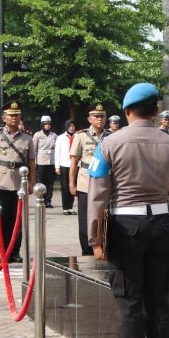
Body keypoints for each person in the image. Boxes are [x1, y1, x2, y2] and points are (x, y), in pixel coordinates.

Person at [87, 82, 169, 338]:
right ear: (156, 111)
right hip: (161, 224)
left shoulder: (109, 143)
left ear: (127, 110)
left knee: (130, 303)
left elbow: (97, 195)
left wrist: (94, 237)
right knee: (159, 302)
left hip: (125, 226)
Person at [0, 100, 36, 263]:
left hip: (19, 182)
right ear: (4, 117)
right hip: (0, 181)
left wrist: (32, 183)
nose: (14, 118)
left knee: (17, 219)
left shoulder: (27, 137)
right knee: (2, 217)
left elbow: (32, 162)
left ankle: (15, 251)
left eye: (17, 115)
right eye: (11, 115)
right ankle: (3, 251)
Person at [70, 103, 107, 256]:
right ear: (89, 119)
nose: (100, 119)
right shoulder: (81, 136)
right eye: (96, 116)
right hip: (86, 182)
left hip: (105, 182)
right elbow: (73, 162)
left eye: (102, 116)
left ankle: (103, 244)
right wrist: (72, 184)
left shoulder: (111, 136)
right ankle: (86, 248)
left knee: (104, 215)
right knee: (85, 217)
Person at [33, 116, 57, 207]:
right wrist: (35, 162)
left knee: (50, 182)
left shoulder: (54, 135)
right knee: (41, 181)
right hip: (41, 161)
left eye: (49, 124)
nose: (47, 126)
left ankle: (48, 201)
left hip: (51, 162)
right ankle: (41, 199)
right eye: (45, 124)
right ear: (42, 125)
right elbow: (34, 150)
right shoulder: (37, 135)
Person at [55, 119, 77, 215]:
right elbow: (57, 153)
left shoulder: (78, 137)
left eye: (73, 126)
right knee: (65, 187)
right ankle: (65, 207)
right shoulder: (60, 138)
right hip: (64, 165)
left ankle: (70, 207)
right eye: (70, 126)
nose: (71, 128)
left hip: (75, 165)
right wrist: (57, 167)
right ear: (66, 127)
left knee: (72, 186)